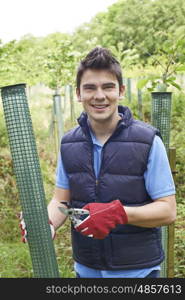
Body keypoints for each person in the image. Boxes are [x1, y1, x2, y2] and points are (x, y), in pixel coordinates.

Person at [20, 47, 176, 278]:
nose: (99, 96)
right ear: (78, 94)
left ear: (121, 91)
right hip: (86, 269)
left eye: (108, 87)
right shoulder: (69, 143)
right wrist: (44, 223)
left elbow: (167, 210)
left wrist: (118, 213)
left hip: (137, 272)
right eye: (90, 88)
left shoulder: (147, 141)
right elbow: (60, 200)